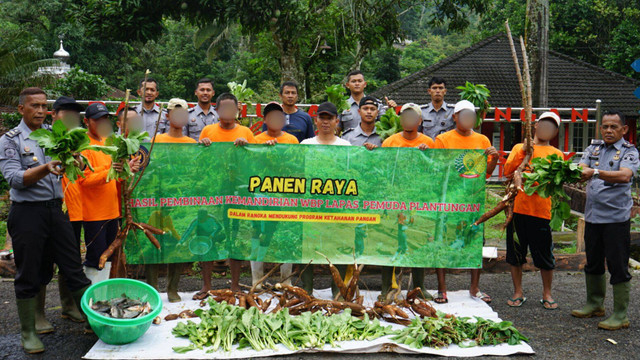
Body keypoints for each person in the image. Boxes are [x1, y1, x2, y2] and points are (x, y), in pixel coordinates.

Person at [0, 87, 92, 353]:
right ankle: (28, 332)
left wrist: (78, 161)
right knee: (29, 273)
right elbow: (15, 178)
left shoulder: (56, 136)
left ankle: (93, 320)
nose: (41, 111)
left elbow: (73, 166)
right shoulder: (10, 140)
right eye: (34, 106)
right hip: (28, 213)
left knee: (73, 268)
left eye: (44, 106)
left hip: (57, 211)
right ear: (21, 109)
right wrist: (44, 168)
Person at [572, 110, 639, 330]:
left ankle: (620, 315)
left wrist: (595, 172)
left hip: (616, 219)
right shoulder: (594, 148)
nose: (608, 130)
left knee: (618, 265)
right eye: (605, 126)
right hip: (593, 216)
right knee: (592, 262)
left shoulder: (629, 151)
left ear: (624, 129)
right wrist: (584, 171)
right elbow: (581, 167)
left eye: (614, 127)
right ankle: (594, 304)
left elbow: (625, 175)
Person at [433, 100, 499, 304]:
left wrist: (494, 158)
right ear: (455, 117)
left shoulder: (482, 140)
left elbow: (487, 172)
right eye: (463, 114)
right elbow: (437, 169)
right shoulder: (442, 139)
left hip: (473, 200)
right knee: (443, 241)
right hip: (449, 200)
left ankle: (474, 288)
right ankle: (441, 289)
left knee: (475, 240)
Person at [32, 97, 86, 335]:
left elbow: (83, 169)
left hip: (71, 211)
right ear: (54, 115)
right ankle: (38, 315)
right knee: (41, 262)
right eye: (66, 115)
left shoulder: (77, 139)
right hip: (43, 210)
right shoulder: (42, 138)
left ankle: (68, 305)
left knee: (70, 262)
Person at [145, 98, 206, 302]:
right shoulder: (157, 141)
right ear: (168, 116)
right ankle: (152, 289)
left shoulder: (191, 143)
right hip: (156, 199)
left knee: (176, 242)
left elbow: (197, 171)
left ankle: (173, 288)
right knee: (153, 242)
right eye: (175, 113)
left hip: (181, 201)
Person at [503, 112, 563, 310]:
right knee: (515, 253)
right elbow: (507, 171)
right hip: (518, 209)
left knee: (545, 255)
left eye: (552, 127)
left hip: (542, 211)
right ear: (535, 125)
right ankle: (518, 291)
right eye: (544, 124)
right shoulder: (519, 148)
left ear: (555, 132)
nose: (547, 129)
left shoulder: (556, 154)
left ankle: (547, 293)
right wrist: (524, 153)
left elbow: (557, 181)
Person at [198, 92, 255, 295]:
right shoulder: (208, 130)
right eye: (224, 108)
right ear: (218, 110)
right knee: (207, 232)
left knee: (235, 235)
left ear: (237, 110)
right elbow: (200, 162)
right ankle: (206, 285)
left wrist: (246, 147)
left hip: (237, 192)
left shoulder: (246, 132)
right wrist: (203, 147)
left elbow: (254, 163)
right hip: (213, 190)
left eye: (232, 108)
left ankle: (235, 284)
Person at [78, 103, 139, 284]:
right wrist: (109, 170)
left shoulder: (109, 143)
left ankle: (106, 298)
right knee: (96, 258)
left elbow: (116, 178)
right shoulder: (83, 147)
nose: (102, 123)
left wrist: (127, 170)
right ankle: (93, 300)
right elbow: (84, 181)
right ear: (86, 121)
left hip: (113, 211)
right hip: (94, 214)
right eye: (97, 120)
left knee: (110, 257)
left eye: (104, 119)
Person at [379, 103, 434, 300]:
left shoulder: (429, 142)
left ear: (419, 121)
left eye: (413, 117)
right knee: (391, 241)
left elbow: (434, 172)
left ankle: (418, 286)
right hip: (395, 198)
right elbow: (384, 171)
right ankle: (387, 287)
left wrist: (427, 157)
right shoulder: (390, 142)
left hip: (419, 200)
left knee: (417, 240)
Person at [300, 102, 352, 297]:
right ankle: (306, 289)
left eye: (329, 118)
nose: (325, 122)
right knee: (308, 245)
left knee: (337, 244)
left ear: (336, 121)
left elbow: (350, 174)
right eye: (322, 117)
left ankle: (337, 288)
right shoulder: (306, 145)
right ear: (316, 120)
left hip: (337, 204)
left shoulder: (345, 146)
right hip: (311, 204)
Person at [251, 102, 298, 288]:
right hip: (261, 193)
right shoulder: (257, 139)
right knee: (259, 232)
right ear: (265, 120)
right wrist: (265, 151)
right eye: (271, 116)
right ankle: (257, 279)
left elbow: (297, 166)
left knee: (284, 232)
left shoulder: (292, 140)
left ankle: (285, 279)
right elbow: (251, 166)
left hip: (286, 193)